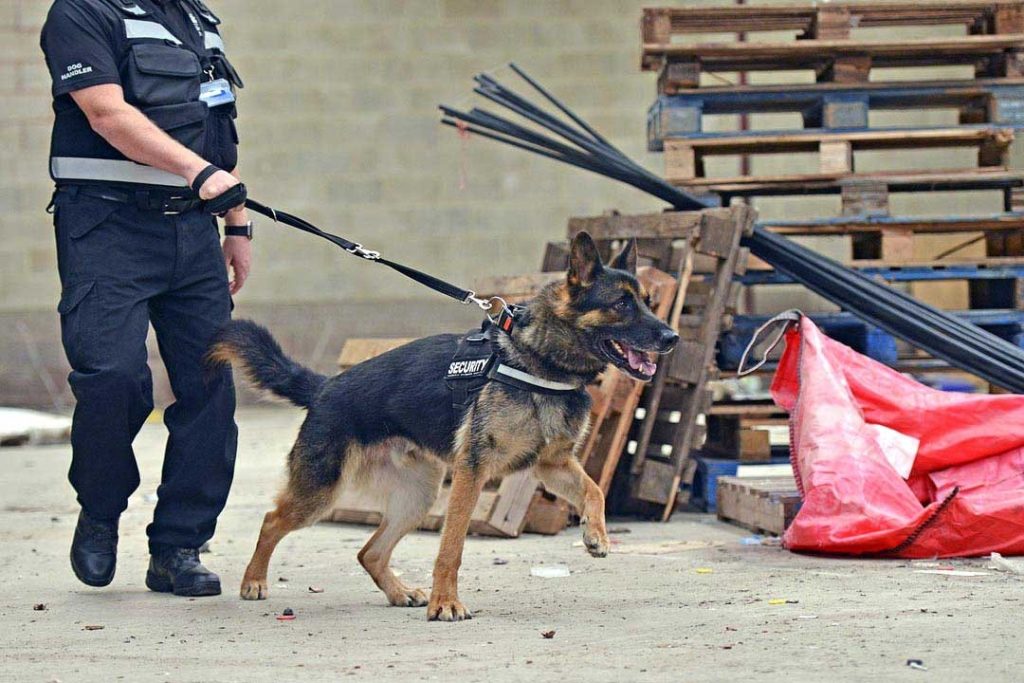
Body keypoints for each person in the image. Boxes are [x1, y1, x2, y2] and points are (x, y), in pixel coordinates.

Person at [40, 0, 253, 597]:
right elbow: (106, 114)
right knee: (111, 376)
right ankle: (101, 507)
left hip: (192, 229)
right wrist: (200, 174)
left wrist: (237, 221)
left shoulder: (195, 18)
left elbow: (213, 130)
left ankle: (178, 547)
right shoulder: (83, 13)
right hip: (105, 227)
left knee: (211, 387)